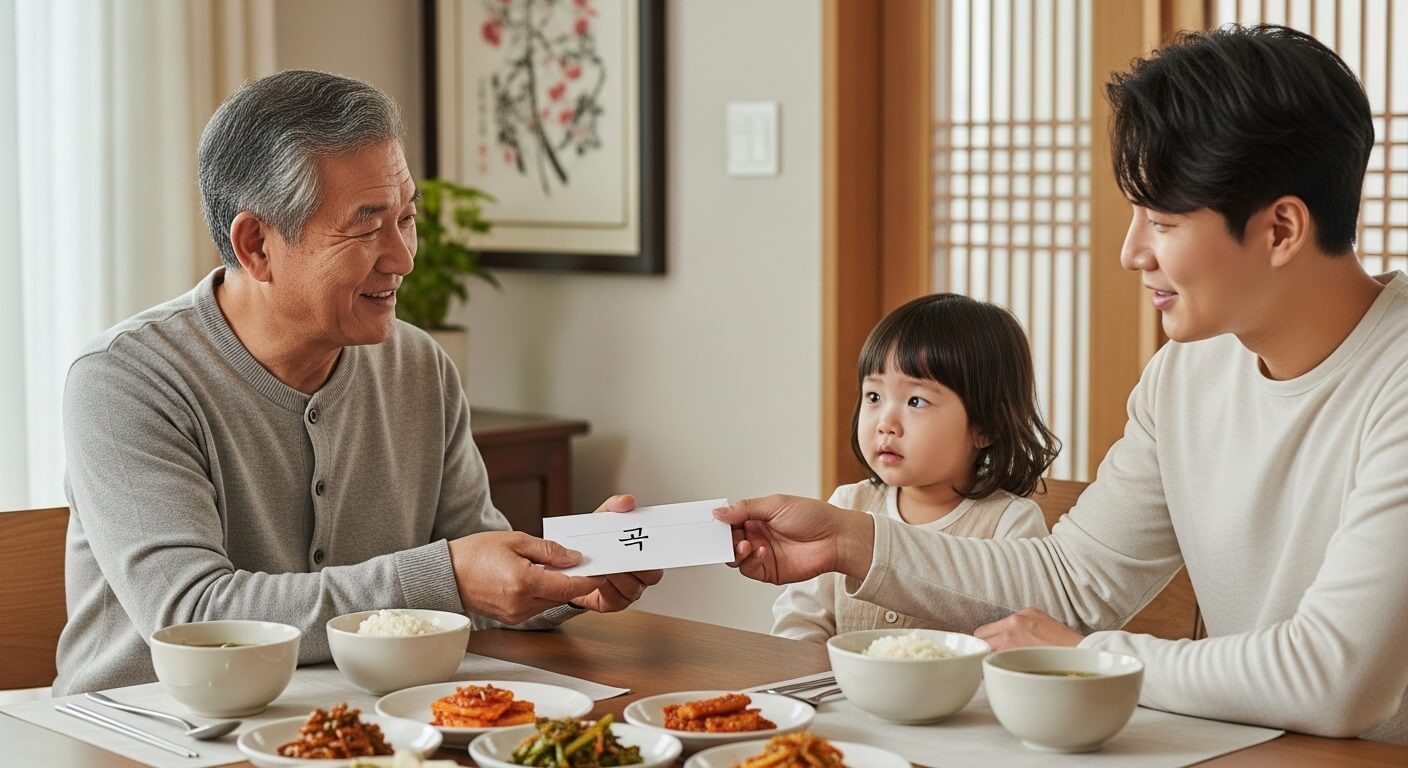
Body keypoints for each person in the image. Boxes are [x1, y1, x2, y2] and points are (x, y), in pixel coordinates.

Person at [717, 24, 1408, 743]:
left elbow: (1339, 679)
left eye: (1163, 220)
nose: (1131, 251)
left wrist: (1087, 659)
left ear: (1281, 229)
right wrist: (850, 541)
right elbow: (1075, 579)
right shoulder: (1186, 376)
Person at [55, 70, 660, 695]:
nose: (403, 257)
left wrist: (574, 575)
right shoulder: (125, 380)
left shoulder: (418, 367)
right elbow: (194, 617)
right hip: (139, 732)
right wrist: (448, 576)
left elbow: (470, 573)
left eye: (405, 219)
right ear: (257, 244)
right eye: (368, 225)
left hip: (355, 724)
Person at [772, 293, 1056, 641]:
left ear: (986, 426)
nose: (885, 423)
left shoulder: (1011, 523)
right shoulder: (848, 506)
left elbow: (1028, 639)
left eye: (916, 400)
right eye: (874, 397)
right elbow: (799, 621)